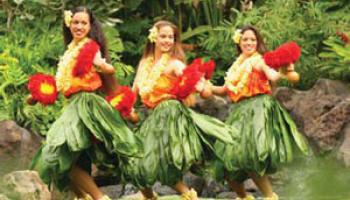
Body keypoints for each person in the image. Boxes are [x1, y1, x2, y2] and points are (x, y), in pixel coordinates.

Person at [30, 6, 142, 200]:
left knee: (60, 154)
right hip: (73, 105)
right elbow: (63, 83)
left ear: (90, 26)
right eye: (75, 22)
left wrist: (103, 66)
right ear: (69, 24)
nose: (79, 26)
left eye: (84, 23)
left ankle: (100, 197)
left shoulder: (91, 47)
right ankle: (85, 196)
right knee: (72, 158)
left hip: (87, 105)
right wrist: (36, 95)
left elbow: (107, 69)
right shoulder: (70, 50)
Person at [122, 20, 235, 200]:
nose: (167, 41)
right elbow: (135, 91)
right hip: (152, 116)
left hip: (170, 115)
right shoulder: (145, 63)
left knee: (162, 162)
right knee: (140, 163)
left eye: (171, 37)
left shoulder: (174, 64)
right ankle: (159, 196)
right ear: (154, 37)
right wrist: (123, 105)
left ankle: (187, 195)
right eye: (163, 36)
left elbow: (195, 81)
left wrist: (205, 88)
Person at [210, 25, 309, 200]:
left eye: (253, 39)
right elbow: (225, 89)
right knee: (225, 160)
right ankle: (243, 197)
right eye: (245, 39)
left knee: (252, 157)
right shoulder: (236, 65)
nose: (249, 42)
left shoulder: (259, 60)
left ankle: (270, 196)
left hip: (258, 110)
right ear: (238, 42)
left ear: (258, 42)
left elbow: (272, 76)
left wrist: (285, 70)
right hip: (239, 112)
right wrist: (206, 87)